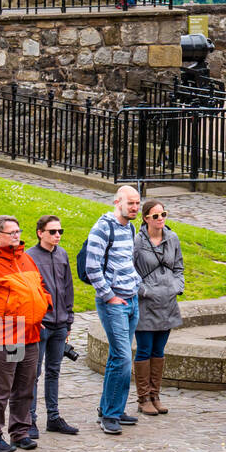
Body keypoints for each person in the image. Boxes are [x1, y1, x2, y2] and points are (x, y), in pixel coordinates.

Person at [0, 215, 51, 452]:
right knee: (0, 391)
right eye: (11, 232)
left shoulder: (26, 259)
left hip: (31, 334)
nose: (17, 235)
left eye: (18, 231)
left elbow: (40, 288)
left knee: (25, 387)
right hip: (6, 336)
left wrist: (42, 308)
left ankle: (20, 432)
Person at [86, 186, 142, 435]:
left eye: (138, 203)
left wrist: (136, 285)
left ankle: (113, 409)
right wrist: (110, 297)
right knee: (122, 358)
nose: (135, 208)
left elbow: (127, 261)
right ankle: (109, 415)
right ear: (117, 202)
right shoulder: (103, 227)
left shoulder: (129, 228)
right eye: (130, 203)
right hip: (114, 303)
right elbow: (92, 268)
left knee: (117, 357)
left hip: (131, 299)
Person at [25, 214, 78, 436]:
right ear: (40, 233)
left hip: (59, 325)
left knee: (54, 371)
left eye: (60, 232)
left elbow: (68, 288)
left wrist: (68, 320)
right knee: (32, 373)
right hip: (40, 325)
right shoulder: (29, 257)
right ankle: (30, 420)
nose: (57, 236)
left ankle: (53, 417)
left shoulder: (63, 254)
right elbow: (27, 294)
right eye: (53, 232)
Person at [133, 200, 184, 417]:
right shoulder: (136, 241)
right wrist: (144, 291)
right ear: (145, 219)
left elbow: (179, 266)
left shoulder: (172, 238)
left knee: (159, 350)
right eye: (155, 216)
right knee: (144, 349)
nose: (160, 218)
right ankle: (143, 397)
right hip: (146, 302)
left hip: (168, 302)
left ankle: (155, 395)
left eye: (163, 214)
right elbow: (129, 271)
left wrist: (177, 286)